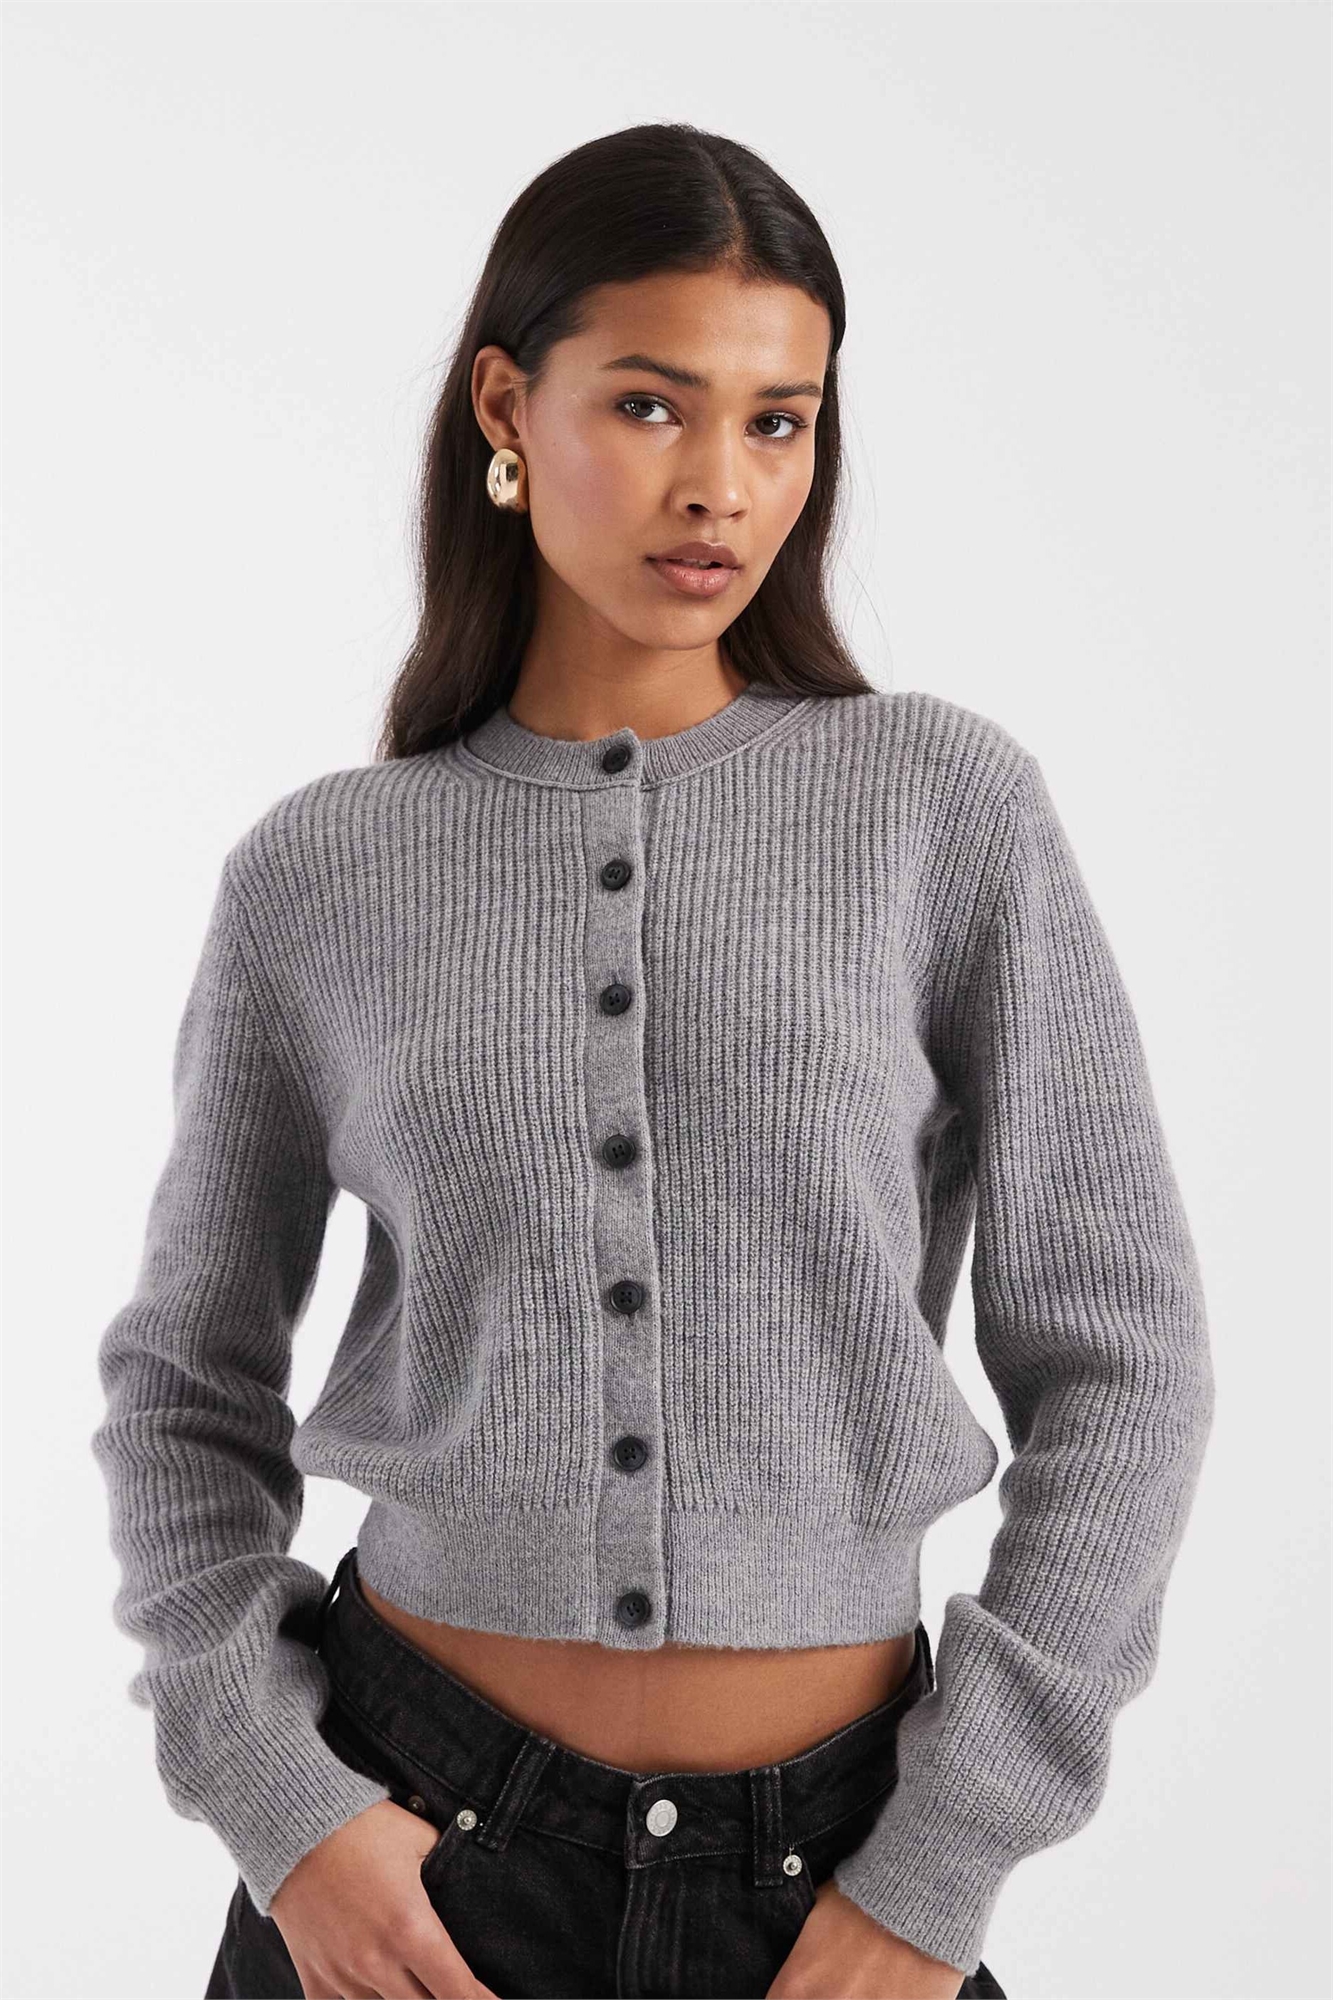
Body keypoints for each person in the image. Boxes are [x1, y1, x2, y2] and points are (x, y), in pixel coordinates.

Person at [91, 123, 1214, 2000]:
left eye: (778, 423)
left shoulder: (938, 810)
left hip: (840, 1876)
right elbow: (182, 1389)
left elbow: (1125, 1366)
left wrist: (941, 1860)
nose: (720, 486)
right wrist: (279, 1804)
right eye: (649, 406)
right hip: (405, 1865)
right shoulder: (326, 870)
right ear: (504, 409)